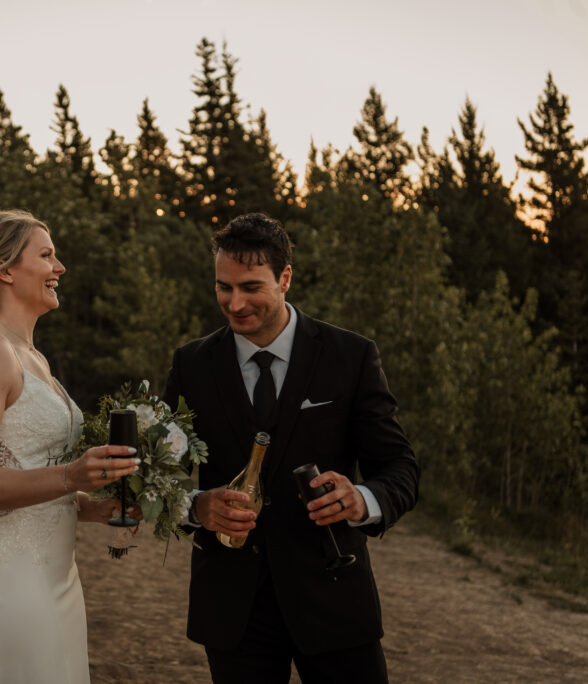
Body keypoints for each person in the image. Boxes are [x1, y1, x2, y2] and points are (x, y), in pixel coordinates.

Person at [163, 213, 419, 683]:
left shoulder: (351, 356)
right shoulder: (191, 365)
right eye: (224, 287)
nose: (235, 303)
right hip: (232, 607)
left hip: (335, 597)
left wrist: (360, 498)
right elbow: (158, 479)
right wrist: (197, 506)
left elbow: (400, 467)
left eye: (251, 287)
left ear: (285, 278)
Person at [0, 210, 139, 684]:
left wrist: (95, 505)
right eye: (46, 255)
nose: (60, 267)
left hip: (57, 581)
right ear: (4, 270)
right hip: (9, 588)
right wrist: (72, 474)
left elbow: (30, 474)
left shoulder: (33, 356)